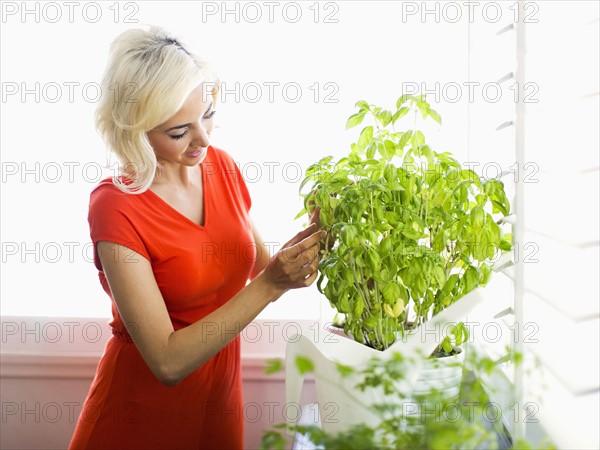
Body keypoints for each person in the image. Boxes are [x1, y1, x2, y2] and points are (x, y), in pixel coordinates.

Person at [69, 26, 326, 450]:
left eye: (207, 114)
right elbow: (167, 361)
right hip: (140, 416)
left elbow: (263, 267)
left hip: (219, 401)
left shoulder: (220, 166)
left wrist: (319, 233)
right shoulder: (116, 207)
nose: (204, 139)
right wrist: (271, 284)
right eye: (178, 132)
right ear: (136, 131)